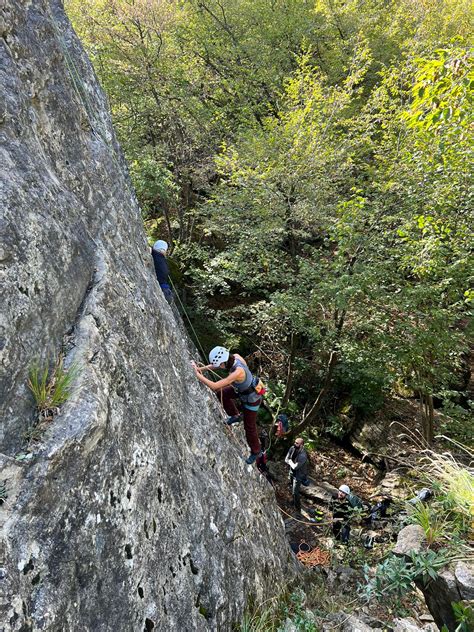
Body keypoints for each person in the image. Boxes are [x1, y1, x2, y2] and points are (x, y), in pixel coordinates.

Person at [192, 347, 263, 464]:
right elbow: (215, 365)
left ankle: (256, 451)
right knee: (222, 393)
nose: (220, 368)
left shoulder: (238, 372)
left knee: (249, 427)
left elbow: (215, 385)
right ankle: (235, 415)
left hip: (252, 398)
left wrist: (197, 374)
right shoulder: (235, 357)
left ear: (225, 362)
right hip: (241, 390)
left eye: (221, 365)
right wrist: (200, 369)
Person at [285, 438, 309, 512]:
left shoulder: (303, 455)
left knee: (295, 492)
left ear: (301, 445)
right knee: (293, 489)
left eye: (297, 443)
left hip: (299, 475)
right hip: (292, 472)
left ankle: (298, 509)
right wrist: (290, 462)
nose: (295, 444)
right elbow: (286, 459)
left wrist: (290, 461)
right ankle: (294, 502)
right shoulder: (292, 448)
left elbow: (295, 467)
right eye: (295, 442)